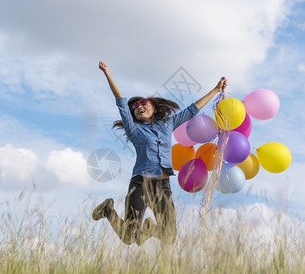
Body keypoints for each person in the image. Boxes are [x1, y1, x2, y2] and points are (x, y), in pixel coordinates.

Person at [92, 61, 227, 245]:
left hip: (163, 185)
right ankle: (108, 210)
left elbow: (192, 110)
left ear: (153, 107)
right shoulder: (134, 130)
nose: (138, 107)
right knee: (129, 237)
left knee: (169, 237)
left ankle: (149, 229)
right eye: (135, 108)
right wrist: (107, 73)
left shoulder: (167, 124)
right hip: (140, 184)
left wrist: (215, 90)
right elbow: (122, 103)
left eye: (143, 103)